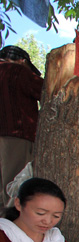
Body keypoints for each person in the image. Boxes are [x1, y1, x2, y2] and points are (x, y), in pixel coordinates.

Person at [0, 46, 43, 208]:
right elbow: (47, 92)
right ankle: (11, 228)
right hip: (16, 137)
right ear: (22, 61)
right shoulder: (18, 71)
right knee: (15, 187)